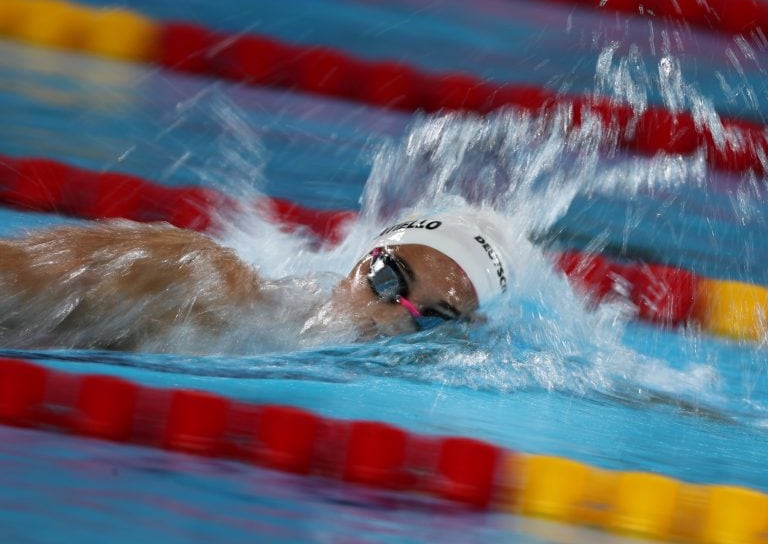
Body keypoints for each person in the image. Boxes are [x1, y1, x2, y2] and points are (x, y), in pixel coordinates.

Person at [0, 208, 510, 351]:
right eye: (387, 278)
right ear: (362, 260)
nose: (393, 316)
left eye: (432, 319)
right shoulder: (194, 273)